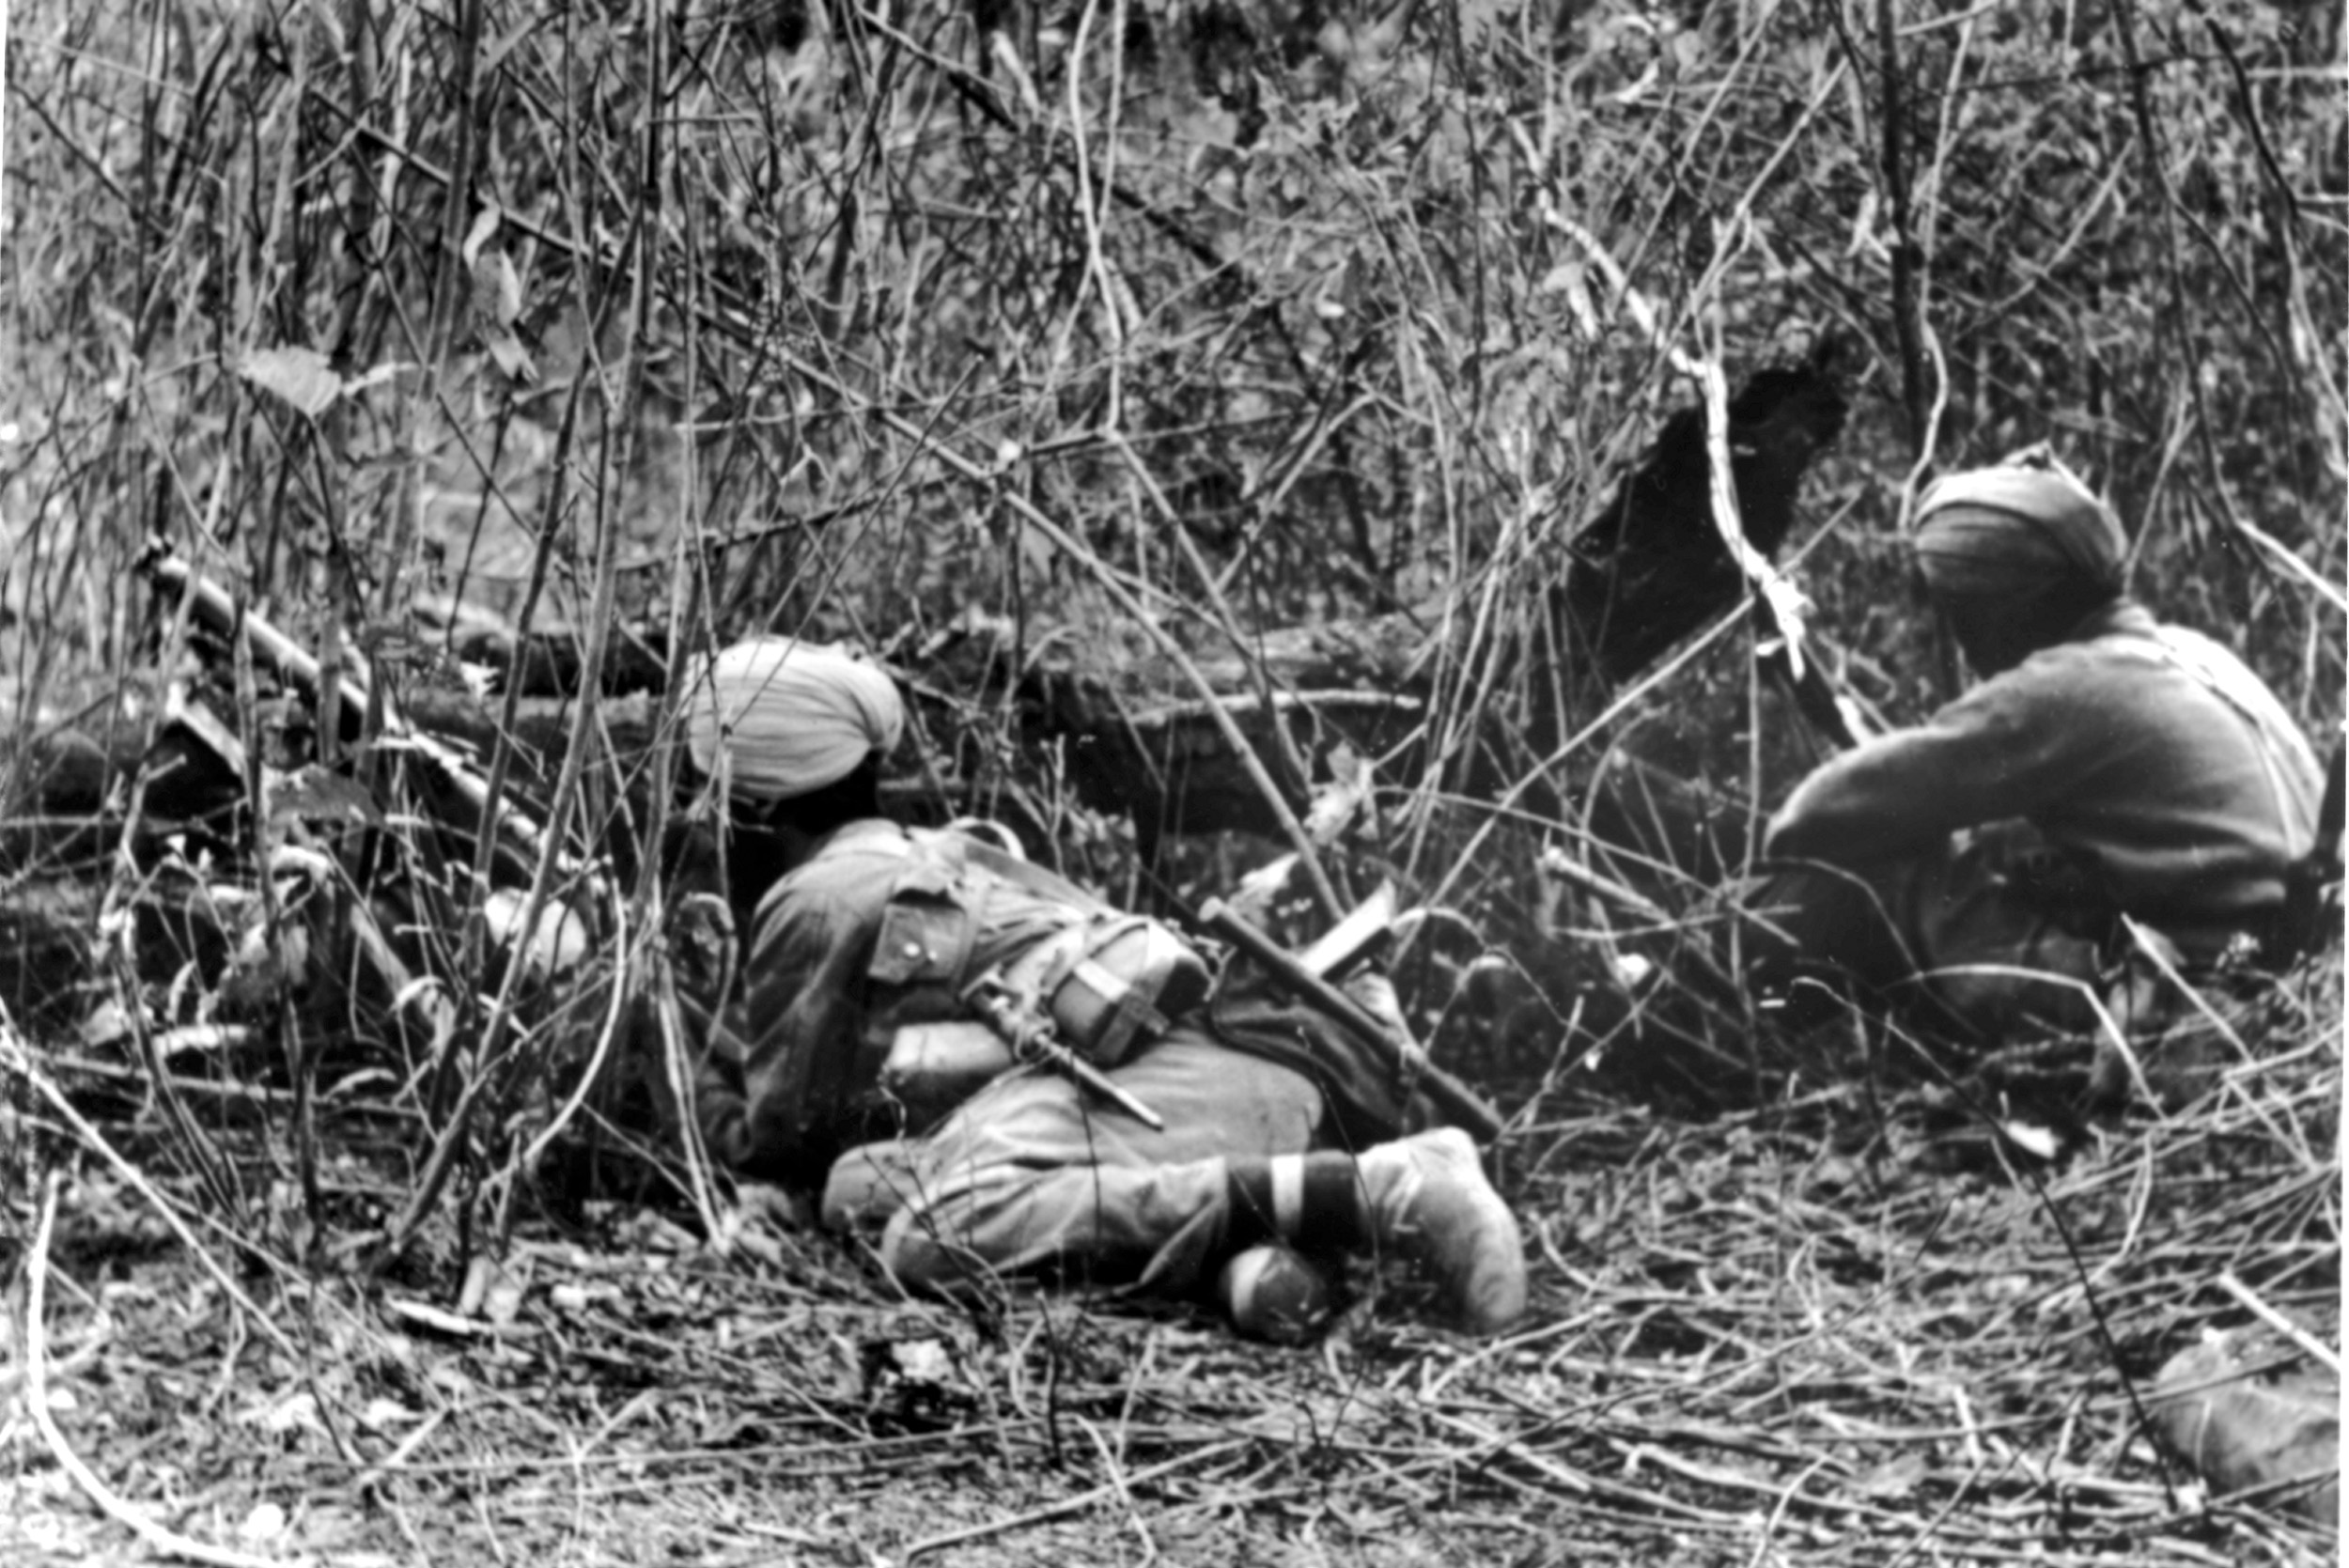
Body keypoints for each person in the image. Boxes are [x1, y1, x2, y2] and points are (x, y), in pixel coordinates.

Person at [681, 635, 1529, 1340]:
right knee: (859, 1188)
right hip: (1255, 1081)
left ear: (750, 804)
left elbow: (775, 1144)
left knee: (933, 1233)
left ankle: (1390, 1189)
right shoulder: (948, 855)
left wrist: (681, 1040)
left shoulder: (819, 897)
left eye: (704, 795)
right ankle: (1263, 1247)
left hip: (1209, 1075)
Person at [1747, 456, 2324, 1049]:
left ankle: (1720, 1041)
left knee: (1863, 885)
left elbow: (1810, 818)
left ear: (2000, 613)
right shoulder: (2189, 651)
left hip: (2193, 1003)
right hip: (2293, 972)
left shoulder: (2064, 689)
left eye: (1962, 619)